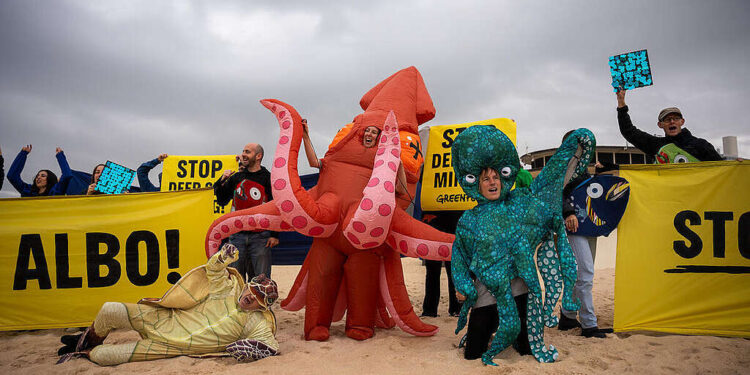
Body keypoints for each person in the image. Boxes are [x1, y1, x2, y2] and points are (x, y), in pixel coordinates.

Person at [57, 244, 280, 365]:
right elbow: (214, 271)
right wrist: (222, 258)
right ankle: (86, 339)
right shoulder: (226, 290)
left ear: (262, 308)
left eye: (258, 300)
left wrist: (252, 349)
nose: (251, 298)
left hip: (170, 346)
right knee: (110, 309)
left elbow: (271, 346)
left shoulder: (256, 322)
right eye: (252, 291)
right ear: (247, 286)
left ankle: (83, 352)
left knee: (102, 357)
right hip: (166, 319)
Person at [454, 167, 531, 360]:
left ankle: (510, 335)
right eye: (486, 179)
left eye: (496, 178)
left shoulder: (517, 208)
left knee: (526, 349)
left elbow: (549, 181)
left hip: (518, 289)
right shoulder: (469, 219)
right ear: (477, 186)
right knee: (473, 353)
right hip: (486, 291)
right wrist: (462, 284)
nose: (492, 182)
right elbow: (460, 255)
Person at [557, 131, 616, 338]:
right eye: (576, 143)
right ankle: (589, 324)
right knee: (585, 273)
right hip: (573, 224)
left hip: (587, 224)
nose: (580, 147)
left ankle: (568, 315)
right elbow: (558, 190)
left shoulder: (581, 166)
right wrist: (568, 212)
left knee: (579, 273)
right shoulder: (563, 164)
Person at [214, 143, 278, 280]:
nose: (243, 154)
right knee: (236, 278)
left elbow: (275, 207)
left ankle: (258, 302)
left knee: (261, 279)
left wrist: (274, 235)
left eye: (247, 152)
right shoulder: (237, 177)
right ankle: (239, 302)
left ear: (258, 156)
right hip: (237, 236)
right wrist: (221, 181)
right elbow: (221, 200)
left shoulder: (268, 178)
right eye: (243, 151)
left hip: (261, 237)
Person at [301, 119, 409, 195]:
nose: (369, 134)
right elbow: (314, 162)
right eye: (367, 130)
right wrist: (306, 137)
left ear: (378, 138)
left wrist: (399, 163)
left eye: (374, 132)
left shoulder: (382, 165)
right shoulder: (342, 155)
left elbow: (401, 190)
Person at [615, 88, 722, 162]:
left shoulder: (701, 145)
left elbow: (723, 169)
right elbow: (628, 131)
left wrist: (737, 165)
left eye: (676, 118)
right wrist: (621, 104)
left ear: (682, 122)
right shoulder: (655, 145)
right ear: (660, 125)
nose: (672, 122)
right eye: (667, 119)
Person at [420, 211, 463, 318]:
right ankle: (430, 310)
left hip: (454, 222)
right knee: (433, 271)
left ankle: (456, 308)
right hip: (433, 221)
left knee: (453, 271)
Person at [7, 144, 72, 197]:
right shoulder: (27, 191)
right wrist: (23, 154)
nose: (38, 177)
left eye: (43, 176)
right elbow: (12, 176)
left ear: (50, 179)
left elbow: (67, 175)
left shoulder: (56, 192)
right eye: (38, 175)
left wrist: (60, 156)